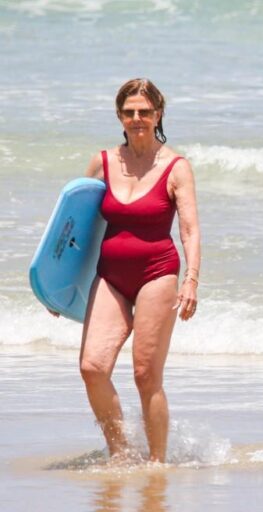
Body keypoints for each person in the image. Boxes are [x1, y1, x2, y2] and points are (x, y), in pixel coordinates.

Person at [78, 78, 200, 463]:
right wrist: (58, 283)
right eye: (129, 112)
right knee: (92, 367)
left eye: (144, 112)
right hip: (110, 275)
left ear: (158, 114)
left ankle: (158, 463)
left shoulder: (176, 167)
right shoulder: (103, 162)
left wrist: (192, 279)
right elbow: (75, 226)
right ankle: (122, 453)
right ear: (119, 116)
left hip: (157, 272)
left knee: (146, 375)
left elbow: (190, 229)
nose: (137, 118)